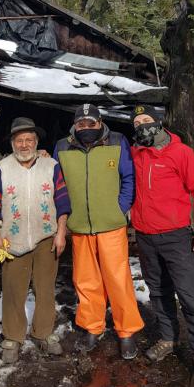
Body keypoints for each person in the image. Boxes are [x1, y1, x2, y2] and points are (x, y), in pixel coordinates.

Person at [130, 104, 194, 387]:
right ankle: (168, 338)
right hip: (145, 236)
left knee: (190, 296)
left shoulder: (180, 153)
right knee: (158, 291)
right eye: (137, 121)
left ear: (159, 123)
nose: (141, 125)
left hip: (176, 237)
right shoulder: (134, 153)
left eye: (146, 120)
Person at [54, 104, 144, 359]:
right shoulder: (63, 146)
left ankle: (126, 331)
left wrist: (120, 208)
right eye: (81, 124)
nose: (85, 128)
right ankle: (93, 326)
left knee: (118, 280)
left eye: (90, 123)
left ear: (100, 122)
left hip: (111, 225)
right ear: (75, 125)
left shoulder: (116, 141)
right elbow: (57, 182)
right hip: (80, 226)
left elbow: (129, 177)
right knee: (85, 281)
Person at [0, 117, 71, 364]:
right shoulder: (3, 168)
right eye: (20, 140)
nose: (24, 145)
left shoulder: (50, 165)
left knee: (45, 289)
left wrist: (61, 232)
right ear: (13, 143)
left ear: (36, 142)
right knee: (14, 290)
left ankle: (43, 332)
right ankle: (13, 336)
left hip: (46, 237)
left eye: (29, 140)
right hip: (12, 239)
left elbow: (63, 200)